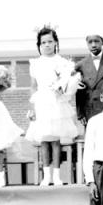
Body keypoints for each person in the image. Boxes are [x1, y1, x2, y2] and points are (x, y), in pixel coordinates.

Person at [24, 26, 81, 186]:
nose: (47, 45)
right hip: (42, 101)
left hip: (57, 101)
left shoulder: (63, 62)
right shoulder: (35, 63)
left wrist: (62, 89)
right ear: (39, 45)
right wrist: (33, 107)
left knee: (55, 139)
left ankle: (56, 175)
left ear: (55, 42)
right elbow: (33, 86)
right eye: (43, 42)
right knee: (44, 139)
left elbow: (68, 83)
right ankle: (46, 175)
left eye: (50, 41)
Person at [74, 34, 103, 125]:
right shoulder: (81, 65)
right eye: (90, 42)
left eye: (96, 41)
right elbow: (79, 91)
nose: (93, 45)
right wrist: (80, 114)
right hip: (89, 110)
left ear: (102, 42)